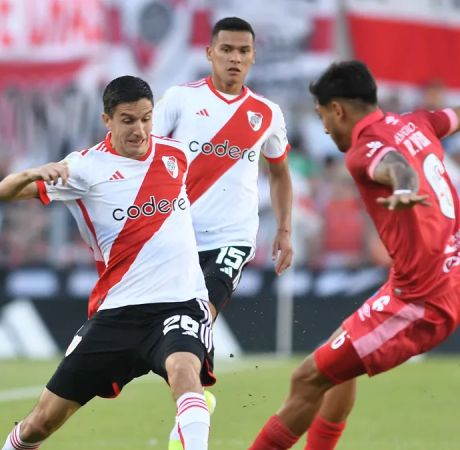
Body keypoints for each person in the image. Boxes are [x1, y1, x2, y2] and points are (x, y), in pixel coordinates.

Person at [248, 61, 460, 450]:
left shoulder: (361, 151)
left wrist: (403, 188)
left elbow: (395, 166)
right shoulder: (416, 123)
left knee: (306, 379)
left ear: (338, 110)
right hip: (441, 280)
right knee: (336, 363)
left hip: (422, 300)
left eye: (322, 116)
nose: (324, 128)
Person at [0, 76, 215, 450]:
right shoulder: (84, 169)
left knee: (184, 370)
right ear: (107, 120)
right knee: (42, 422)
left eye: (146, 119)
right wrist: (31, 173)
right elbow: (3, 193)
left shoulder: (175, 155)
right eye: (128, 120)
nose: (140, 130)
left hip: (179, 303)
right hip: (118, 313)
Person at [152, 17, 295, 450]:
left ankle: (189, 425)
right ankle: (197, 403)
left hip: (233, 238)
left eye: (243, 51)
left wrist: (285, 229)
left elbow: (280, 173)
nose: (235, 58)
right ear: (210, 52)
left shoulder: (266, 113)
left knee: (198, 318)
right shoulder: (179, 100)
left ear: (253, 56)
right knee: (176, 332)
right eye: (227, 49)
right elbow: (145, 157)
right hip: (178, 235)